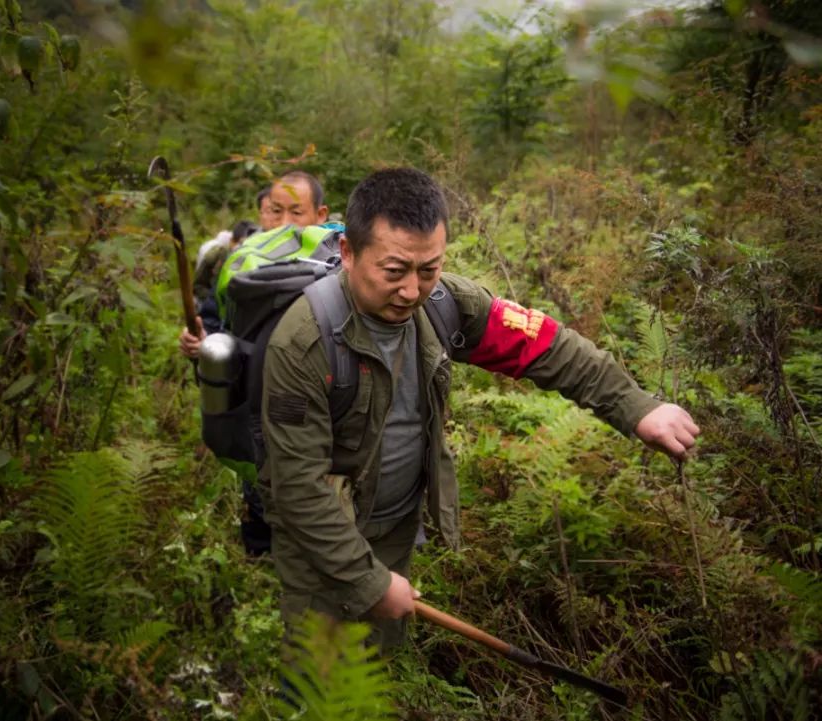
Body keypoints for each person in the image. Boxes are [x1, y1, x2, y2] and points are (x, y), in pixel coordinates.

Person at [259, 167, 700, 648]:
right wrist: (370, 581)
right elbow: (299, 490)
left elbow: (543, 345)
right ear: (348, 253)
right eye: (394, 272)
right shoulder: (303, 342)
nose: (411, 291)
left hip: (395, 526)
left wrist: (637, 407)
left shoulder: (445, 302)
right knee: (319, 675)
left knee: (374, 665)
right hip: (322, 533)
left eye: (428, 269)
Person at [180, 170, 330, 359]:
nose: (284, 223)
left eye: (296, 212)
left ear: (321, 215)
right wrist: (202, 338)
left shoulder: (335, 262)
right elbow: (214, 319)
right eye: (276, 211)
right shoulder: (242, 260)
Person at [194, 219, 259, 334]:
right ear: (232, 241)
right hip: (208, 306)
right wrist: (216, 299)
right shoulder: (215, 255)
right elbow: (197, 285)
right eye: (241, 244)